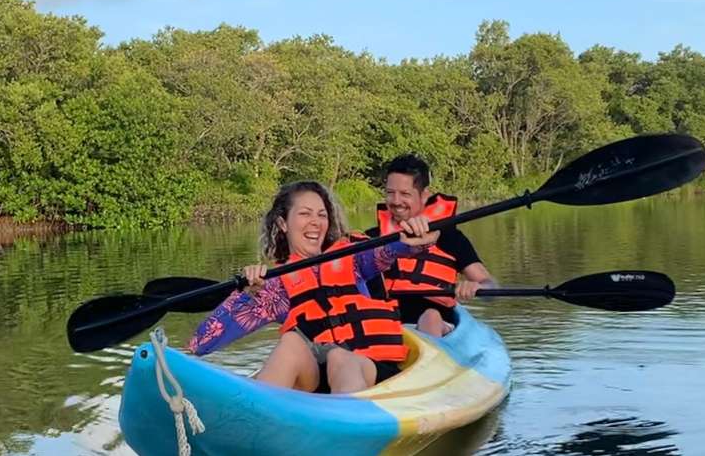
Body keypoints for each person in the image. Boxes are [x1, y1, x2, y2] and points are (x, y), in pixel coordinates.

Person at [186, 181, 439, 394]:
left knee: (340, 358)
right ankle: (255, 432)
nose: (315, 222)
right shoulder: (274, 287)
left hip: (369, 369)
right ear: (283, 224)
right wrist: (245, 295)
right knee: (291, 343)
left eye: (321, 215)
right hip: (316, 381)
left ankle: (350, 434)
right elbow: (202, 342)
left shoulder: (353, 257)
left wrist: (412, 241)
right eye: (305, 214)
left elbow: (388, 251)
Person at [367, 154, 497, 337]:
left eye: (405, 194)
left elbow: (490, 285)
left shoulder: (450, 238)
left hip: (436, 322)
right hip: (384, 322)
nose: (396, 201)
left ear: (424, 195)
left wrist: (478, 288)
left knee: (430, 317)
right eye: (390, 193)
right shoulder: (372, 238)